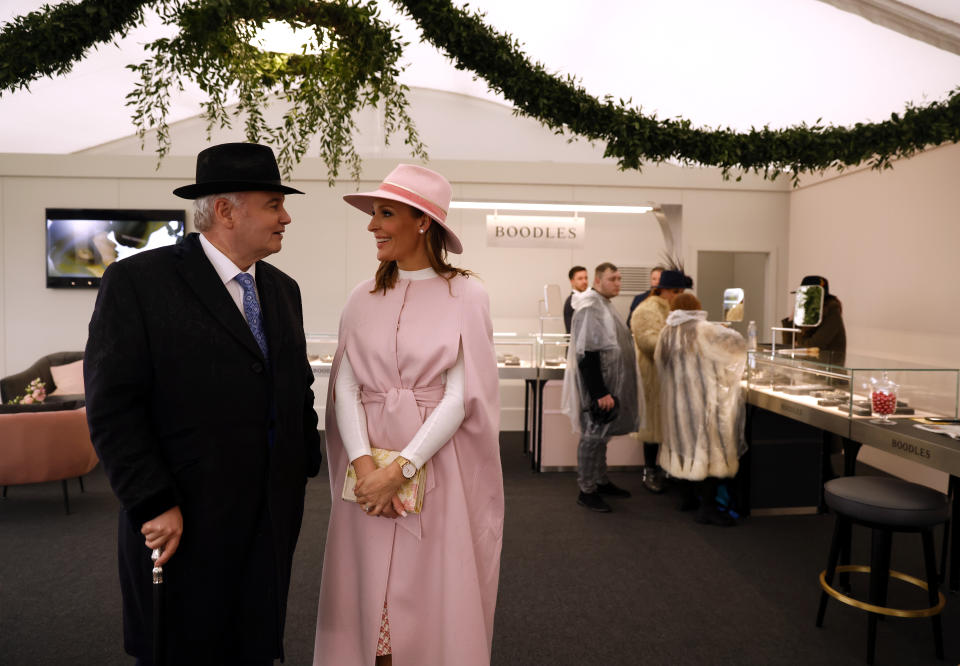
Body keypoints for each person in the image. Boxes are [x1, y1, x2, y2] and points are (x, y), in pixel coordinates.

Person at [84, 142, 323, 666]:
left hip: (268, 516)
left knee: (253, 643)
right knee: (185, 645)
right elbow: (112, 406)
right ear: (225, 210)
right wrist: (151, 501)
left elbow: (295, 383)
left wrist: (302, 460)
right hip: (184, 518)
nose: (287, 217)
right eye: (273, 204)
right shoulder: (139, 282)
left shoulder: (283, 290)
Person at [314, 164, 504, 666]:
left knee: (429, 592)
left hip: (435, 470)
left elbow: (461, 397)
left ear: (423, 222)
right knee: (365, 595)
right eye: (374, 213)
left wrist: (400, 470)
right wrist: (364, 469)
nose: (372, 225)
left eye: (385, 213)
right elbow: (346, 387)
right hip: (367, 474)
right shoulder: (362, 296)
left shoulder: (467, 295)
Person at [655, 293, 747, 526]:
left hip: (677, 403)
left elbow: (660, 364)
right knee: (711, 450)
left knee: (684, 447)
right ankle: (707, 508)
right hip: (703, 400)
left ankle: (686, 498)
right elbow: (737, 343)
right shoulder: (703, 329)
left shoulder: (667, 332)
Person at [561, 262, 640, 513]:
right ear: (598, 280)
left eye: (619, 278)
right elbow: (587, 353)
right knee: (593, 436)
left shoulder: (604, 304)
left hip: (611, 384)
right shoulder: (590, 306)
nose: (618, 283)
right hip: (600, 386)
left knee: (603, 436)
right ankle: (586, 489)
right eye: (613, 279)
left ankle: (601, 480)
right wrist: (599, 391)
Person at [628, 265, 692, 494]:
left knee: (666, 427)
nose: (679, 296)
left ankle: (666, 469)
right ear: (666, 290)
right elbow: (649, 343)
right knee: (652, 429)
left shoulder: (670, 309)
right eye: (676, 292)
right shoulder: (647, 310)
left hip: (670, 378)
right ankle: (650, 471)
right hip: (654, 378)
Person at [784, 275, 846, 355]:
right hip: (808, 365)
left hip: (827, 366)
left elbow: (812, 347)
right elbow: (788, 349)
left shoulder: (832, 312)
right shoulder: (806, 314)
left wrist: (798, 343)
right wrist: (791, 320)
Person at [563, 265, 588, 333]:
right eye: (580, 279)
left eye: (586, 278)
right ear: (572, 281)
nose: (584, 281)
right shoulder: (572, 301)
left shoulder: (585, 299)